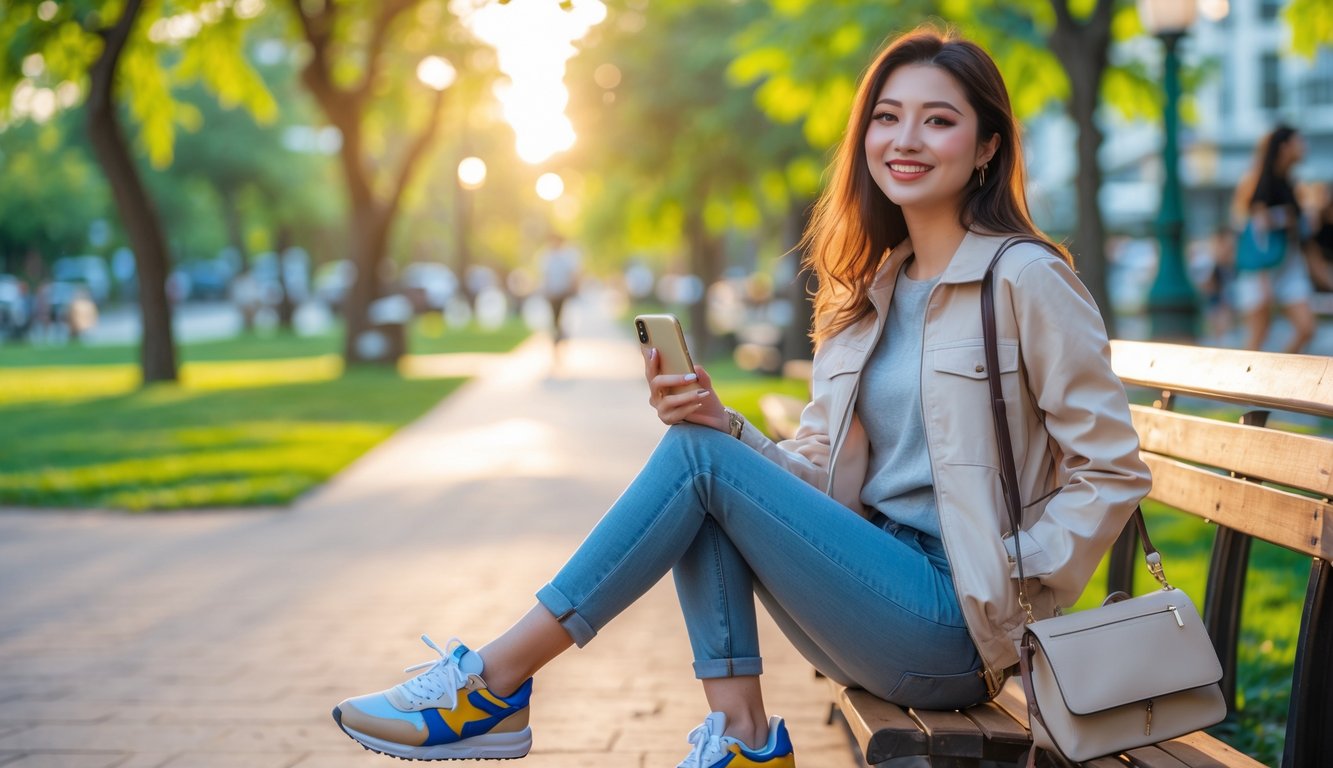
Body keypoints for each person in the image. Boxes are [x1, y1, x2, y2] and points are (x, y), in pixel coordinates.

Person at [330, 26, 1151, 767]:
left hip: (956, 623)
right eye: (886, 117)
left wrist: (1011, 577)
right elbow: (814, 478)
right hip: (875, 587)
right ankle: (743, 739)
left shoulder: (1025, 279)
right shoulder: (867, 293)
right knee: (702, 459)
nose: (904, 139)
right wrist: (725, 425)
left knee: (699, 466)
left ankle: (493, 683)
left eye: (937, 120)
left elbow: (1109, 471)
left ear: (985, 148)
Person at [1230, 125, 1316, 353]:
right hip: (1262, 271)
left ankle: (1279, 374)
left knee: (1306, 327)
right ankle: (1244, 385)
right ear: (1284, 147)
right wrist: (1262, 279)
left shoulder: (1291, 183)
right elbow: (1255, 230)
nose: (1303, 147)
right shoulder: (1258, 182)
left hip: (1288, 267)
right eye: (1298, 142)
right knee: (1257, 336)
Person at [536, 233, 583, 350]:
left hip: (563, 291)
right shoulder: (546, 256)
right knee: (554, 318)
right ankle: (556, 339)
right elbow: (544, 275)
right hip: (552, 292)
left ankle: (561, 336)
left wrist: (573, 287)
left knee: (561, 316)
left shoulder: (567, 256)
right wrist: (544, 289)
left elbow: (572, 273)